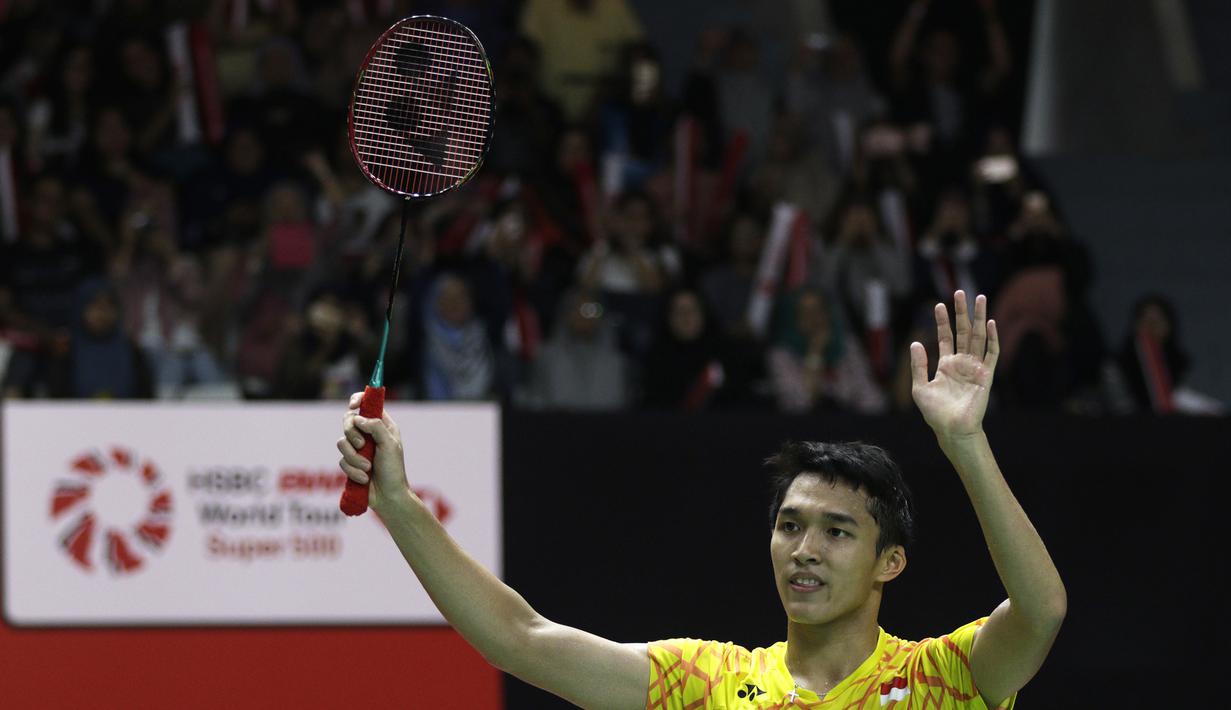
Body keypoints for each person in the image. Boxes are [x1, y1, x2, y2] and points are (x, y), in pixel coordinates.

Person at [336, 290, 1065, 708]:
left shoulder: (942, 680)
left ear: (890, 563)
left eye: (838, 532)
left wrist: (966, 445)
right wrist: (398, 503)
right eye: (789, 525)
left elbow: (1040, 612)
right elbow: (519, 640)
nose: (803, 549)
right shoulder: (712, 684)